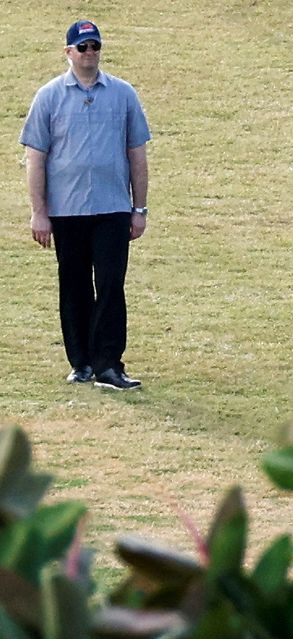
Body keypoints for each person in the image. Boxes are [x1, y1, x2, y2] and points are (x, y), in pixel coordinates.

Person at [20, 20, 151, 390]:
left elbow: (137, 155)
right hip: (67, 211)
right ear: (68, 52)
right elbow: (35, 157)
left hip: (112, 207)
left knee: (111, 284)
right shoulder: (48, 97)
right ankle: (81, 363)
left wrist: (139, 209)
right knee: (74, 284)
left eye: (95, 46)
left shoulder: (123, 94)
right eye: (82, 47)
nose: (89, 52)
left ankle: (109, 364)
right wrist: (38, 211)